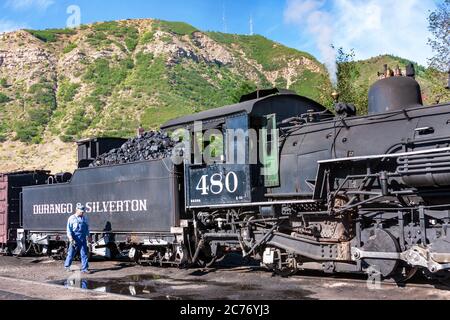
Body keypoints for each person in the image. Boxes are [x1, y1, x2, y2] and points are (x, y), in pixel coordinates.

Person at [64, 204, 91, 274]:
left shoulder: (85, 218)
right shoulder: (71, 218)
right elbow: (68, 230)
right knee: (71, 253)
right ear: (76, 210)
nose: (82, 213)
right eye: (81, 211)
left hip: (83, 239)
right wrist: (70, 238)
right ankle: (67, 266)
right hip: (75, 239)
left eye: (83, 211)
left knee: (84, 254)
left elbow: (87, 229)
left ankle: (85, 269)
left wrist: (89, 236)